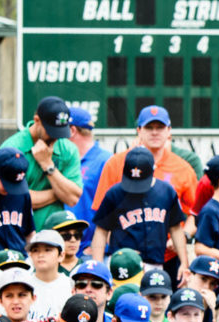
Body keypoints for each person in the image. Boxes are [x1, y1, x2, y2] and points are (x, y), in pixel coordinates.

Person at [90, 105, 199, 274]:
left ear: (169, 130)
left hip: (166, 257)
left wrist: (184, 238)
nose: (154, 132)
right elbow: (102, 222)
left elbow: (193, 214)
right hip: (123, 258)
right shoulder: (115, 164)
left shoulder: (183, 168)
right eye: (149, 127)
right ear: (138, 130)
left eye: (160, 127)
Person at [90, 147, 189, 281]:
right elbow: (101, 230)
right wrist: (98, 267)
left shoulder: (166, 192)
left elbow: (176, 228)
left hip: (154, 264)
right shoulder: (115, 194)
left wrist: (184, 262)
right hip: (122, 263)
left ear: (153, 170)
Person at [0, 95, 82, 232]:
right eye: (51, 132)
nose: (56, 138)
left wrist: (48, 165)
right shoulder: (12, 149)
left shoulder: (68, 149)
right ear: (37, 120)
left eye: (60, 133)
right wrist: (59, 192)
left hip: (55, 235)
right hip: (19, 234)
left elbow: (73, 198)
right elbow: (16, 199)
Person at [66, 106, 111, 252]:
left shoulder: (105, 160)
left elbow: (115, 207)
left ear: (72, 130)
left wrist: (97, 246)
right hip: (62, 247)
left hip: (88, 248)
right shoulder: (61, 160)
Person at [0, 147, 35, 254]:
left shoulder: (22, 194)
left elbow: (30, 232)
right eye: (7, 185)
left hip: (19, 260)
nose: (11, 190)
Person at [26, 229, 72, 316]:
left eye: (47, 250)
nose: (41, 255)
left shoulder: (70, 285)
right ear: (30, 255)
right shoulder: (23, 285)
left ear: (61, 255)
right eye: (35, 250)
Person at [46, 210, 90, 275]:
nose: (73, 240)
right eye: (66, 236)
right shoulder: (43, 268)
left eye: (77, 235)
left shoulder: (87, 267)